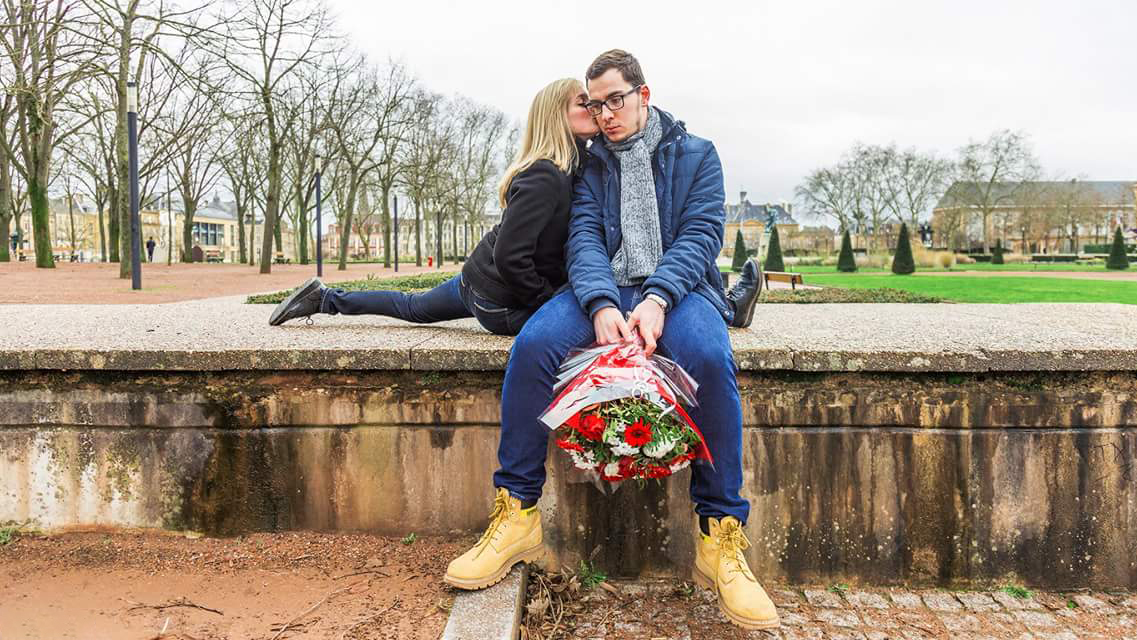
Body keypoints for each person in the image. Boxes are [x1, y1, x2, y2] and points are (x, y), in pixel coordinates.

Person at [443, 50, 777, 630]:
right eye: (595, 105)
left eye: (615, 101)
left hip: (678, 289)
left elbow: (700, 235)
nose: (605, 115)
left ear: (644, 95)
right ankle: (516, 514)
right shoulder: (591, 162)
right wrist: (599, 302)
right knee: (534, 347)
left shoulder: (698, 154)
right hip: (601, 289)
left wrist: (657, 299)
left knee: (708, 355)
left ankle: (720, 535)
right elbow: (583, 239)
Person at [268, 78, 600, 335]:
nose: (594, 108)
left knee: (412, 307)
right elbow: (510, 256)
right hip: (500, 300)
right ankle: (325, 299)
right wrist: (546, 299)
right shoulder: (545, 175)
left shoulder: (568, 170)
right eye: (583, 103)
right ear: (557, 115)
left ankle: (324, 298)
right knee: (581, 326)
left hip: (478, 280)